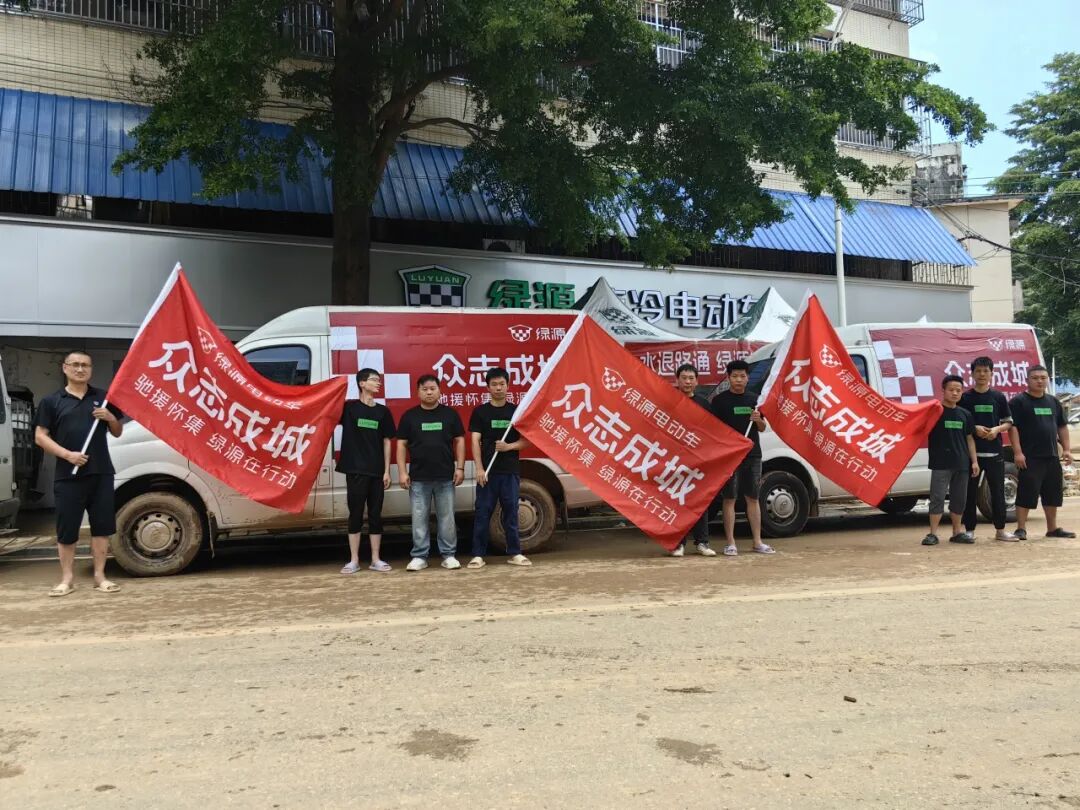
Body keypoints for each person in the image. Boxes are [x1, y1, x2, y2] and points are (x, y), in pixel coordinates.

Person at [33, 351, 124, 596]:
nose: (80, 369)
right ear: (64, 368)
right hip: (68, 475)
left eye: (85, 365)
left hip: (101, 473)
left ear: (91, 369)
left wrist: (111, 417)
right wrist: (67, 455)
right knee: (67, 529)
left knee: (102, 527)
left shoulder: (103, 398)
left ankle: (100, 576)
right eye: (75, 365)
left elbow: (117, 432)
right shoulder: (52, 401)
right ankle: (67, 579)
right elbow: (40, 436)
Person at [397, 375, 466, 570]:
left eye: (433, 388)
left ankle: (449, 555)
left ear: (440, 391)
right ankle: (420, 556)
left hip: (446, 476)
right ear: (418, 392)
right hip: (418, 478)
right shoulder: (409, 416)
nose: (429, 392)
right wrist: (402, 472)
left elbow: (460, 440)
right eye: (425, 389)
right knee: (419, 518)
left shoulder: (450, 415)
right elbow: (401, 444)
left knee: (447, 518)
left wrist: (460, 467)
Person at [467, 368, 532, 569]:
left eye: (501, 384)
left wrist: (508, 447)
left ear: (507, 386)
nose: (498, 388)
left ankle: (515, 553)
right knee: (483, 513)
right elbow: (474, 441)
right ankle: (478, 554)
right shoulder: (480, 412)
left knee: (511, 512)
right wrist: (479, 468)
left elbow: (526, 441)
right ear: (488, 387)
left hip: (509, 471)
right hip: (487, 473)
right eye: (494, 384)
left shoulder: (516, 411)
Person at [710, 359, 773, 556]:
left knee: (753, 498)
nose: (739, 380)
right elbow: (715, 430)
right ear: (729, 378)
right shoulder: (719, 401)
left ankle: (757, 541)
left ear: (747, 378)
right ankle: (731, 543)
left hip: (752, 455)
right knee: (729, 499)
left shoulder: (755, 400)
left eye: (742, 376)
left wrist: (758, 420)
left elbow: (762, 428)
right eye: (735, 376)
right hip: (731, 457)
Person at [337, 368, 396, 574]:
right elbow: (324, 412)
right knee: (355, 514)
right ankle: (353, 560)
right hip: (355, 470)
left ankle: (375, 558)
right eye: (374, 380)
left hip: (377, 471)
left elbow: (387, 442)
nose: (378, 384)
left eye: (379, 380)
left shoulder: (383, 412)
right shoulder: (349, 409)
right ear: (362, 383)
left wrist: (387, 470)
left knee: (375, 515)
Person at [1008, 365, 1075, 540]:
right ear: (1027, 380)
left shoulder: (1053, 402)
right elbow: (1012, 428)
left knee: (1052, 493)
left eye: (1043, 378)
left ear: (1047, 380)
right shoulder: (1018, 402)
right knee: (1026, 492)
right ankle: (1021, 528)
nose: (1040, 381)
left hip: (1052, 456)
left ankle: (1052, 529)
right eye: (1035, 378)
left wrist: (1066, 449)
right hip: (1030, 457)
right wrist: (1017, 452)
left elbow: (1062, 426)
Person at [959, 357, 1016, 541]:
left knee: (997, 492)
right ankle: (969, 531)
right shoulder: (965, 397)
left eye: (986, 371)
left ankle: (1000, 530)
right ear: (972, 373)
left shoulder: (998, 397)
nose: (982, 374)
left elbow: (1008, 422)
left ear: (992, 373)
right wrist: (974, 428)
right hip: (972, 454)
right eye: (978, 371)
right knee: (970, 493)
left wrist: (996, 430)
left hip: (995, 452)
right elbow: (961, 421)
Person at [922, 374, 979, 546]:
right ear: (943, 390)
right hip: (940, 463)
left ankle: (957, 532)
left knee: (959, 499)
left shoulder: (965, 414)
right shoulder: (934, 412)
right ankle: (932, 534)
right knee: (937, 498)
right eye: (951, 390)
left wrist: (974, 461)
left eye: (958, 390)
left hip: (962, 463)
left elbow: (970, 438)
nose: (955, 393)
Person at [669, 363, 717, 558]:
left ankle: (702, 543)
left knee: (700, 502)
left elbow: (712, 433)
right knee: (677, 502)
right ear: (677, 380)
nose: (687, 382)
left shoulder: (704, 404)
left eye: (691, 378)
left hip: (698, 461)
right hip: (674, 460)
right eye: (684, 378)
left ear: (696, 381)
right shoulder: (668, 401)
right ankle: (678, 543)